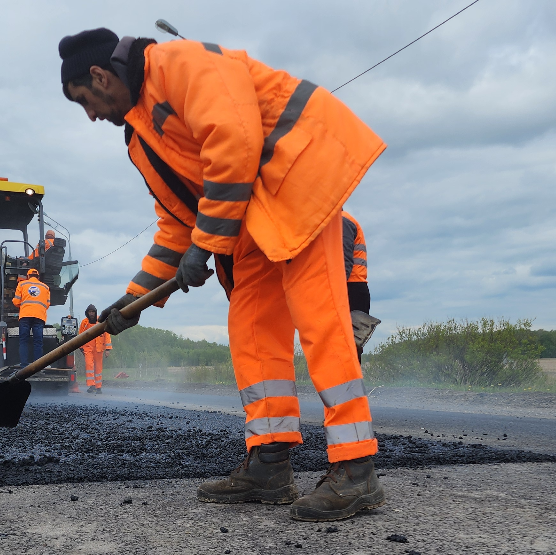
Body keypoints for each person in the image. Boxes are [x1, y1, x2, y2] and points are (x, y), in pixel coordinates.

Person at [60, 28, 387, 522]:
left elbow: (234, 140)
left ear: (101, 76)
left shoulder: (178, 63)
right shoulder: (139, 139)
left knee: (321, 322)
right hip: (249, 219)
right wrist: (133, 298)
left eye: (85, 100)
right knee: (251, 330)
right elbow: (175, 223)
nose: (90, 115)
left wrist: (206, 242)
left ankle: (356, 469)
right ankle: (270, 462)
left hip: (297, 182)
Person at [342, 211, 371, 362]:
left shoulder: (342, 221)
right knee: (349, 346)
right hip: (354, 288)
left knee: (349, 347)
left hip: (350, 288)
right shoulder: (344, 220)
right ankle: (349, 384)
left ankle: (349, 385)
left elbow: (344, 262)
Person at [13, 268, 50, 366]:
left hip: (25, 316)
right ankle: (37, 365)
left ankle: (24, 365)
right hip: (39, 317)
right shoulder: (45, 287)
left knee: (23, 341)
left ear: (28, 276)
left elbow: (16, 302)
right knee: (38, 341)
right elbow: (47, 304)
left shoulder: (22, 284)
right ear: (38, 277)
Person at [79, 304, 112, 393]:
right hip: (88, 349)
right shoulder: (84, 323)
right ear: (87, 313)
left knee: (98, 368)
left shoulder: (101, 321)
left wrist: (108, 349)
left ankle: (98, 387)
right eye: (90, 312)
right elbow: (80, 336)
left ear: (95, 312)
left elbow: (107, 335)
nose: (91, 314)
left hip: (99, 348)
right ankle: (91, 385)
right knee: (89, 366)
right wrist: (81, 348)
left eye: (93, 312)